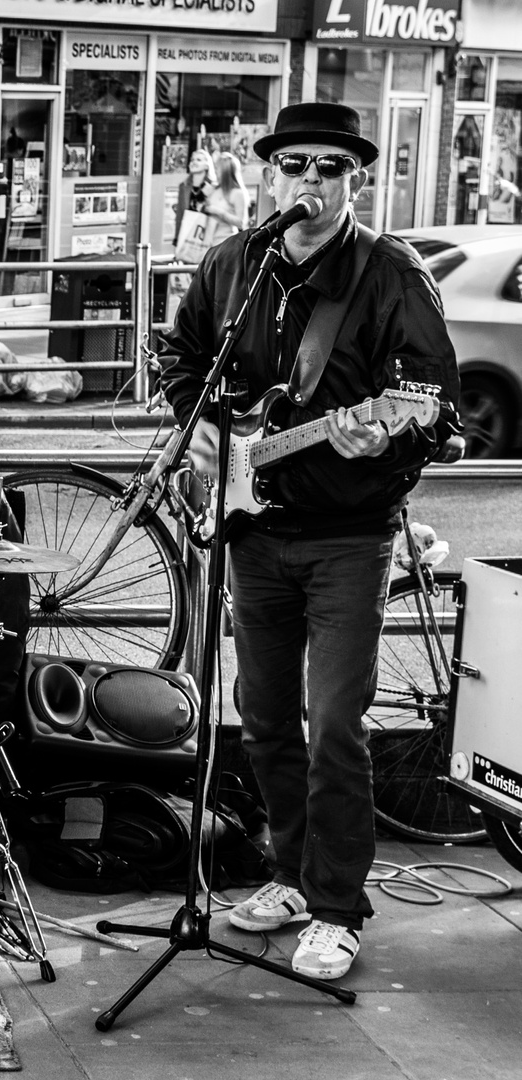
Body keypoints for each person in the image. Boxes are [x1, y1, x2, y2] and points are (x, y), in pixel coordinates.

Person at [156, 102, 461, 982]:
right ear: (269, 175)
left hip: (347, 537)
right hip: (253, 531)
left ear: (355, 179)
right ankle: (288, 874)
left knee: (334, 723)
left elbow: (433, 411)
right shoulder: (233, 265)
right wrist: (202, 425)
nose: (311, 181)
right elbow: (179, 356)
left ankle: (337, 907)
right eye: (296, 165)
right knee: (261, 721)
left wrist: (387, 435)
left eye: (331, 167)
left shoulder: (390, 274)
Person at [208, 151, 252, 240]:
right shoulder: (214, 189)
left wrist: (219, 212)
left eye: (217, 168)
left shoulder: (237, 193)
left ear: (225, 172)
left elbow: (241, 222)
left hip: (225, 242)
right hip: (207, 242)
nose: (215, 171)